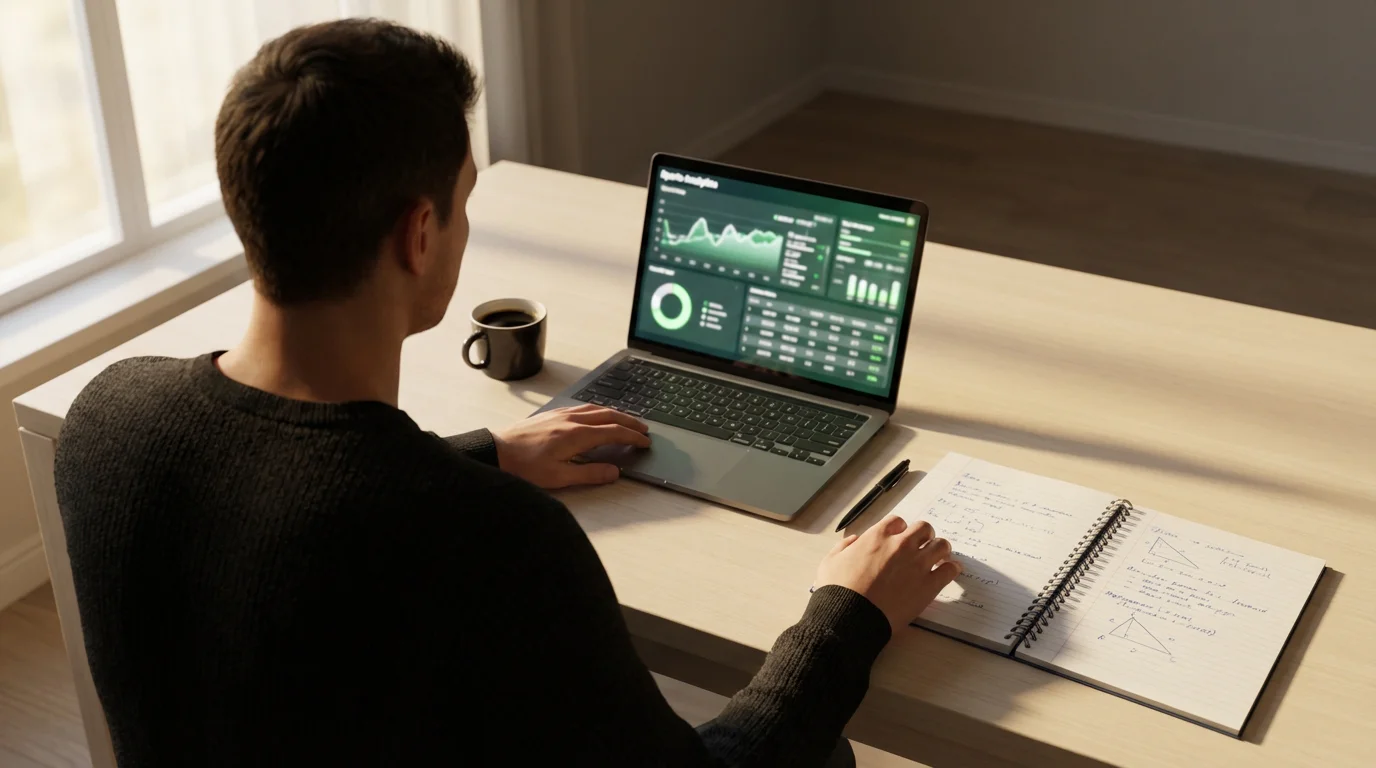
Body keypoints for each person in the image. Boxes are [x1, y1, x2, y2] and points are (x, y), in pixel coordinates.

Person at [54, 18, 962, 767]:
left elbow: (284, 492)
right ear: (419, 235)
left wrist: (486, 453)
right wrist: (847, 618)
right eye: (464, 199)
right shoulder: (489, 541)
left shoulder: (109, 416)